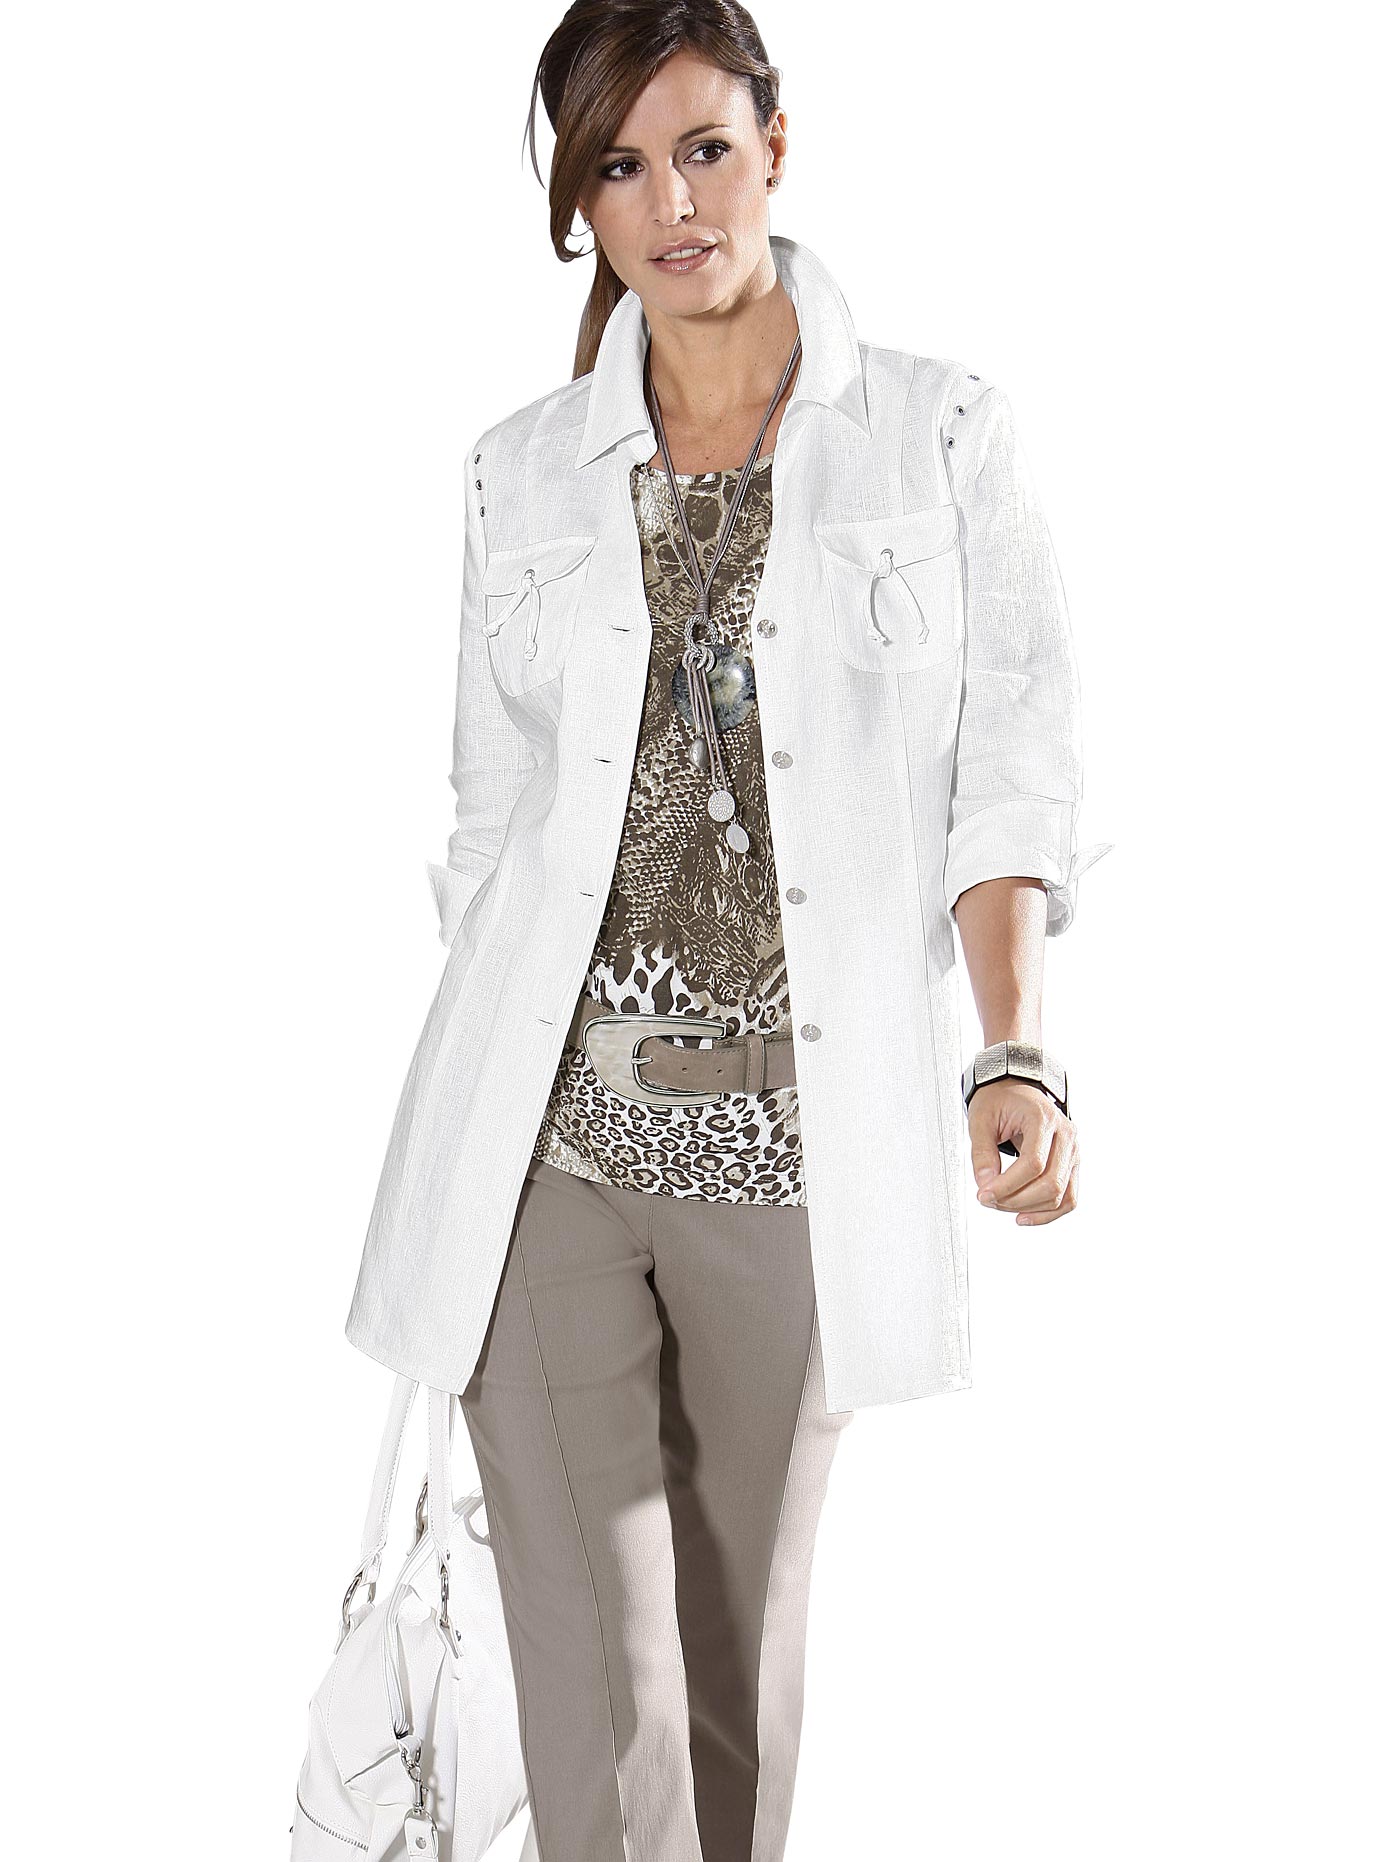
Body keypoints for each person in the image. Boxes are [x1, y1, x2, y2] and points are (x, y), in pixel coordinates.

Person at [343, 3, 1112, 1856]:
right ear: (578, 203)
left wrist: (1010, 1049)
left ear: (778, 139)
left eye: (701, 148)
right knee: (593, 1684)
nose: (671, 204)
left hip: (793, 1145)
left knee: (727, 1675)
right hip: (545, 1150)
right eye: (618, 168)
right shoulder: (517, 468)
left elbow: (1008, 773)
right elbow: (489, 819)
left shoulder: (935, 432)